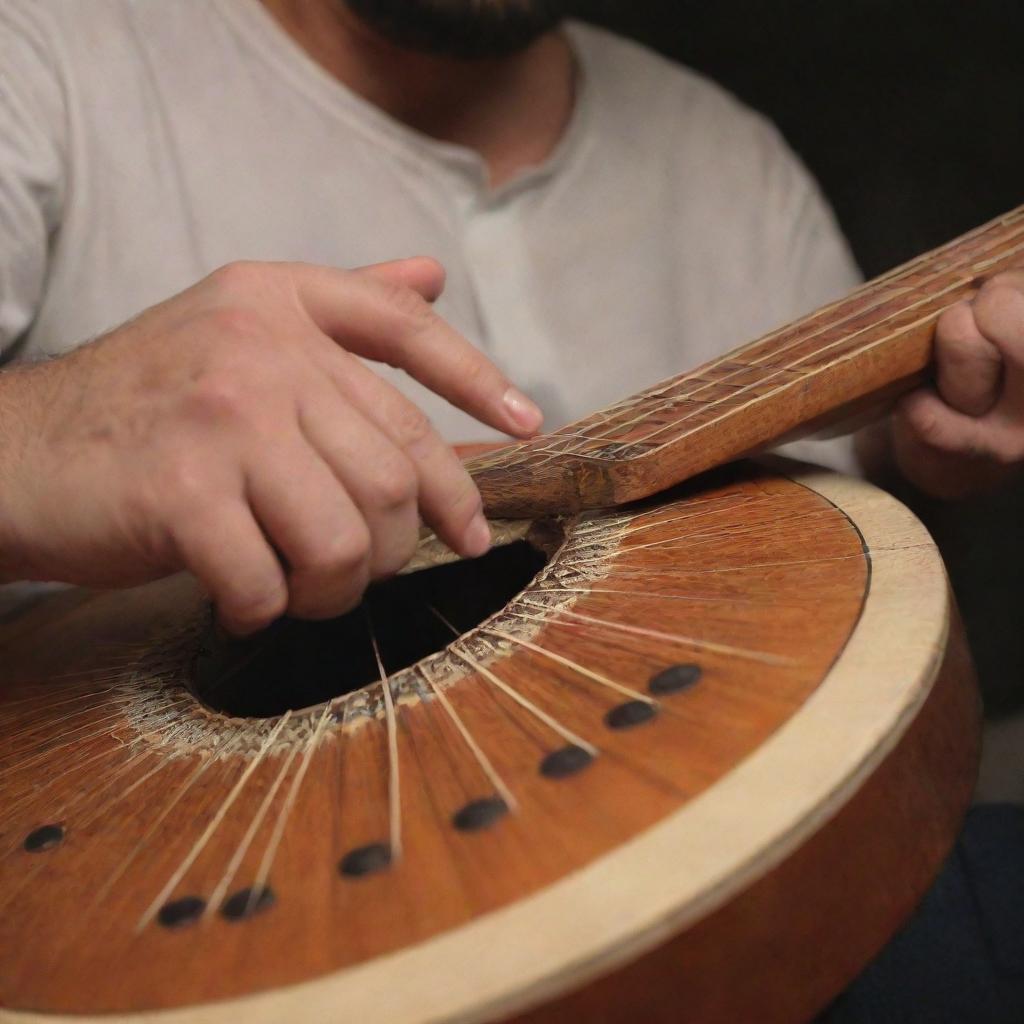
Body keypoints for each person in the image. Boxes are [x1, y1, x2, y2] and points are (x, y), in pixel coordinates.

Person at [0, 1, 1022, 1017]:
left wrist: (931, 431)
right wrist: (46, 430)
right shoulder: (45, 55)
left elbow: (842, 594)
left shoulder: (723, 158)